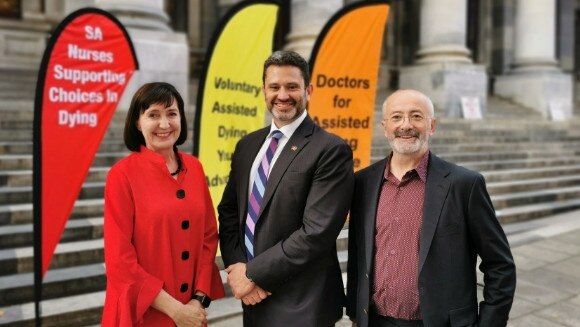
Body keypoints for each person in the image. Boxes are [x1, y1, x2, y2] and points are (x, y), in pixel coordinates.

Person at [346, 89, 516, 327]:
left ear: (432, 125)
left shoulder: (464, 184)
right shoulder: (363, 182)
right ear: (384, 127)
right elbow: (358, 254)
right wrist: (356, 314)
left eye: (416, 116)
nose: (405, 125)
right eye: (396, 117)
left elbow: (500, 265)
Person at [218, 50, 354, 326]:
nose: (283, 95)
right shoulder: (248, 146)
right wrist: (237, 270)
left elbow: (316, 232)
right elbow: (230, 211)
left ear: (308, 90)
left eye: (292, 86)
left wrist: (253, 274)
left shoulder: (330, 149)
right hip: (252, 298)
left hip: (302, 303)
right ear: (264, 91)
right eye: (274, 87)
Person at [102, 82, 224, 326]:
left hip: (192, 311)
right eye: (153, 115)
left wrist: (198, 299)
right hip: (145, 313)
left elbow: (208, 237)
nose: (165, 124)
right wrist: (175, 311)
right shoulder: (122, 175)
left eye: (172, 114)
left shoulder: (195, 168)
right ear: (138, 122)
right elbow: (119, 260)